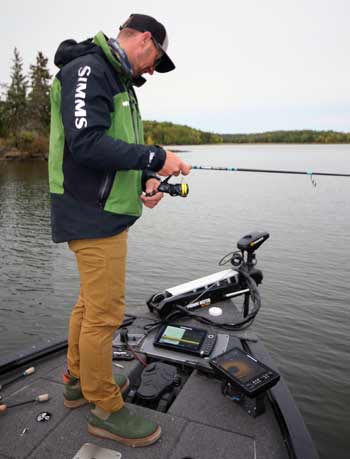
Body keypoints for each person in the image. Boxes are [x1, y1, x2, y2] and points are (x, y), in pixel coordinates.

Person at [48, 14, 191, 447]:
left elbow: (116, 148)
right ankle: (105, 409)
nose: (153, 69)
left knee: (88, 305)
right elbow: (85, 143)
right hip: (90, 210)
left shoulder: (119, 79)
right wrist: (154, 157)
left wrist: (147, 180)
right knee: (105, 315)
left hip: (106, 208)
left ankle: (77, 379)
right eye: (156, 59)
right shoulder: (89, 69)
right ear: (144, 39)